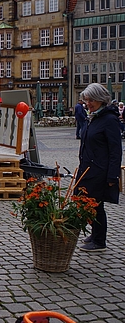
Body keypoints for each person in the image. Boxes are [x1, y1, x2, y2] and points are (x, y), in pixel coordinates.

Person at [76, 83, 122, 252]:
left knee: (96, 205)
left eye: (91, 100)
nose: (88, 103)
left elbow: (115, 150)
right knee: (89, 203)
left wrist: (112, 176)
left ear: (101, 100)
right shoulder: (94, 116)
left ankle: (100, 240)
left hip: (100, 171)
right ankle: (95, 234)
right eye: (86, 100)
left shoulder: (109, 119)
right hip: (88, 168)